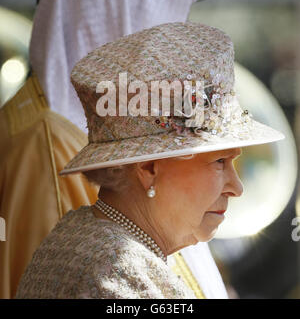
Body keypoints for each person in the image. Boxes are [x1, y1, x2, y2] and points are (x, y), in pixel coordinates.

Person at [1, 0, 199, 299]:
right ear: (108, 33)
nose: (165, 66)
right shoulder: (48, 142)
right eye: (153, 41)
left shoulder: (57, 127)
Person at [15, 21, 285, 299]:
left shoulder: (85, 236)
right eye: (219, 162)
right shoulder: (116, 277)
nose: (236, 188)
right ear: (148, 168)